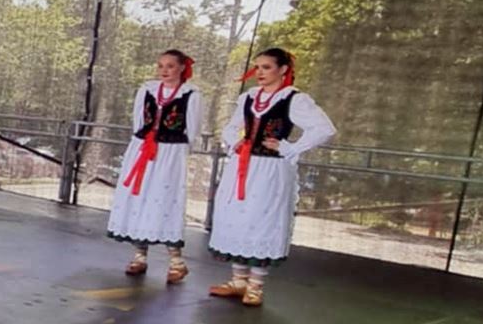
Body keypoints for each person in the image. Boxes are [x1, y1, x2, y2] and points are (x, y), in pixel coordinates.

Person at [208, 47, 336, 307]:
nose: (260, 73)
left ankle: (255, 285)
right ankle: (238, 281)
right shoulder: (249, 97)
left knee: (262, 219)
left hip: (270, 170)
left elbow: (324, 128)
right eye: (257, 67)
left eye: (266, 67)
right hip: (243, 166)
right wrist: (235, 142)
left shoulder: (293, 99)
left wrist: (291, 147)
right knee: (237, 217)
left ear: (283, 69)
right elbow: (230, 127)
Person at [108, 50, 201, 283]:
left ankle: (176, 261)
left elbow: (192, 129)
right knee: (139, 197)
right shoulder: (147, 90)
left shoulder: (191, 94)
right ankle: (140, 255)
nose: (164, 71)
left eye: (170, 66)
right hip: (143, 148)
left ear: (182, 68)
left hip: (170, 152)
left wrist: (176, 150)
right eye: (160, 66)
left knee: (165, 199)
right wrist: (142, 143)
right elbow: (138, 121)